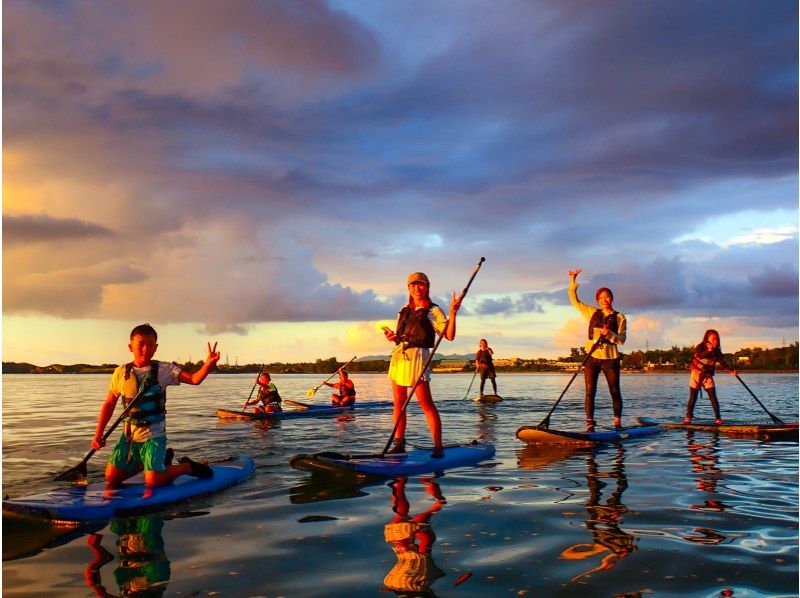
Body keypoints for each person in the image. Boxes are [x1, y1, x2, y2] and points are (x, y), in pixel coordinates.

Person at [91, 323, 220, 487]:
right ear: (131, 347)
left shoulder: (164, 370)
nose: (145, 349)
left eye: (150, 345)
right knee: (111, 477)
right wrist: (98, 434)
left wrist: (208, 364)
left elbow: (194, 379)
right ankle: (155, 464)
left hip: (154, 435)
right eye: (140, 345)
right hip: (129, 436)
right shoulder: (120, 373)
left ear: (155, 347)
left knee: (153, 481)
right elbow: (109, 403)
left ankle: (187, 466)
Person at [383, 271, 462, 457]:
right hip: (399, 357)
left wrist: (453, 313)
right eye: (412, 285)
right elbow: (401, 336)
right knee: (399, 405)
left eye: (420, 285)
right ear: (408, 288)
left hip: (418, 358)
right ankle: (399, 443)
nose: (416, 289)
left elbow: (449, 335)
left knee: (426, 404)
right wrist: (393, 337)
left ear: (427, 287)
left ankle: (438, 446)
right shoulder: (404, 309)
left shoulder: (433, 311)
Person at [568, 268, 627, 432]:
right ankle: (590, 424)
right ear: (598, 300)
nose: (604, 300)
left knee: (614, 391)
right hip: (592, 358)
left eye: (607, 297)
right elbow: (575, 301)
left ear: (612, 298)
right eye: (601, 298)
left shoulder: (620, 317)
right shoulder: (592, 312)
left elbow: (622, 340)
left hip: (610, 359)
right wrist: (573, 281)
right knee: (589, 391)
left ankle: (617, 423)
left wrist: (610, 335)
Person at [684, 329, 737, 425]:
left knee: (713, 397)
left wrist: (731, 371)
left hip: (707, 376)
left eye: (717, 339)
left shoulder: (717, 351)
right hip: (696, 374)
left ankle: (718, 419)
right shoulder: (700, 347)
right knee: (693, 398)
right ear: (707, 339)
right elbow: (700, 356)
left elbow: (722, 362)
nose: (715, 342)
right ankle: (688, 417)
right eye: (713, 339)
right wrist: (709, 350)